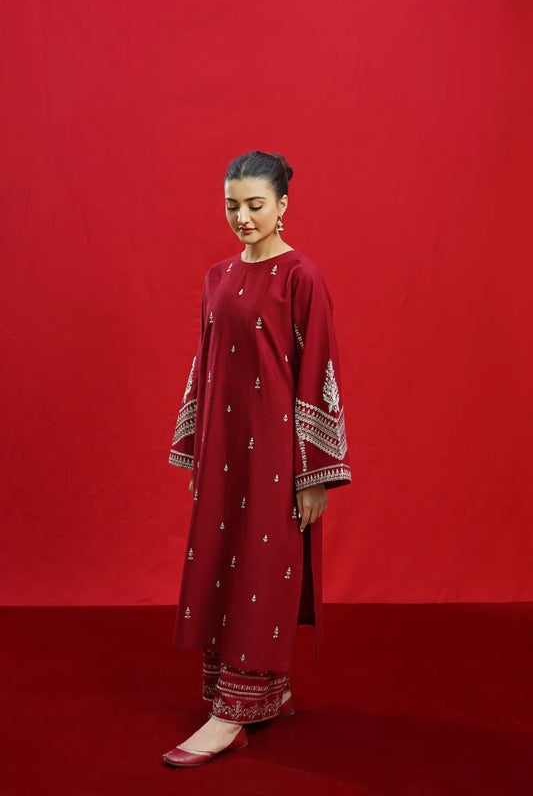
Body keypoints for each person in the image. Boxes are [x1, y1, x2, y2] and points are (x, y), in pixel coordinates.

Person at [162, 150, 351, 767]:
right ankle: (258, 696)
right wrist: (196, 448)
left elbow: (318, 369)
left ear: (282, 205)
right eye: (231, 206)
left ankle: (231, 716)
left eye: (255, 205)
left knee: (261, 568)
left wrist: (313, 474)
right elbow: (205, 363)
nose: (242, 217)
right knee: (223, 560)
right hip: (223, 448)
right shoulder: (217, 277)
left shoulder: (301, 276)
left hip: (275, 453)